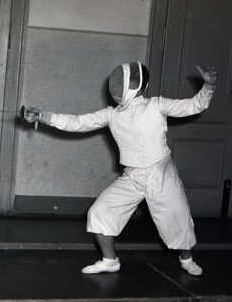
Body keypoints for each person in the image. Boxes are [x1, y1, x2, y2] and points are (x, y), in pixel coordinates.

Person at [23, 61, 217, 276]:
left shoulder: (156, 105)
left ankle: (186, 259)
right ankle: (109, 260)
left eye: (122, 82)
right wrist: (43, 116)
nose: (116, 88)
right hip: (132, 176)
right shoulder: (111, 114)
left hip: (161, 173)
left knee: (177, 219)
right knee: (100, 212)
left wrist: (208, 86)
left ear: (138, 85)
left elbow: (193, 106)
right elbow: (77, 122)